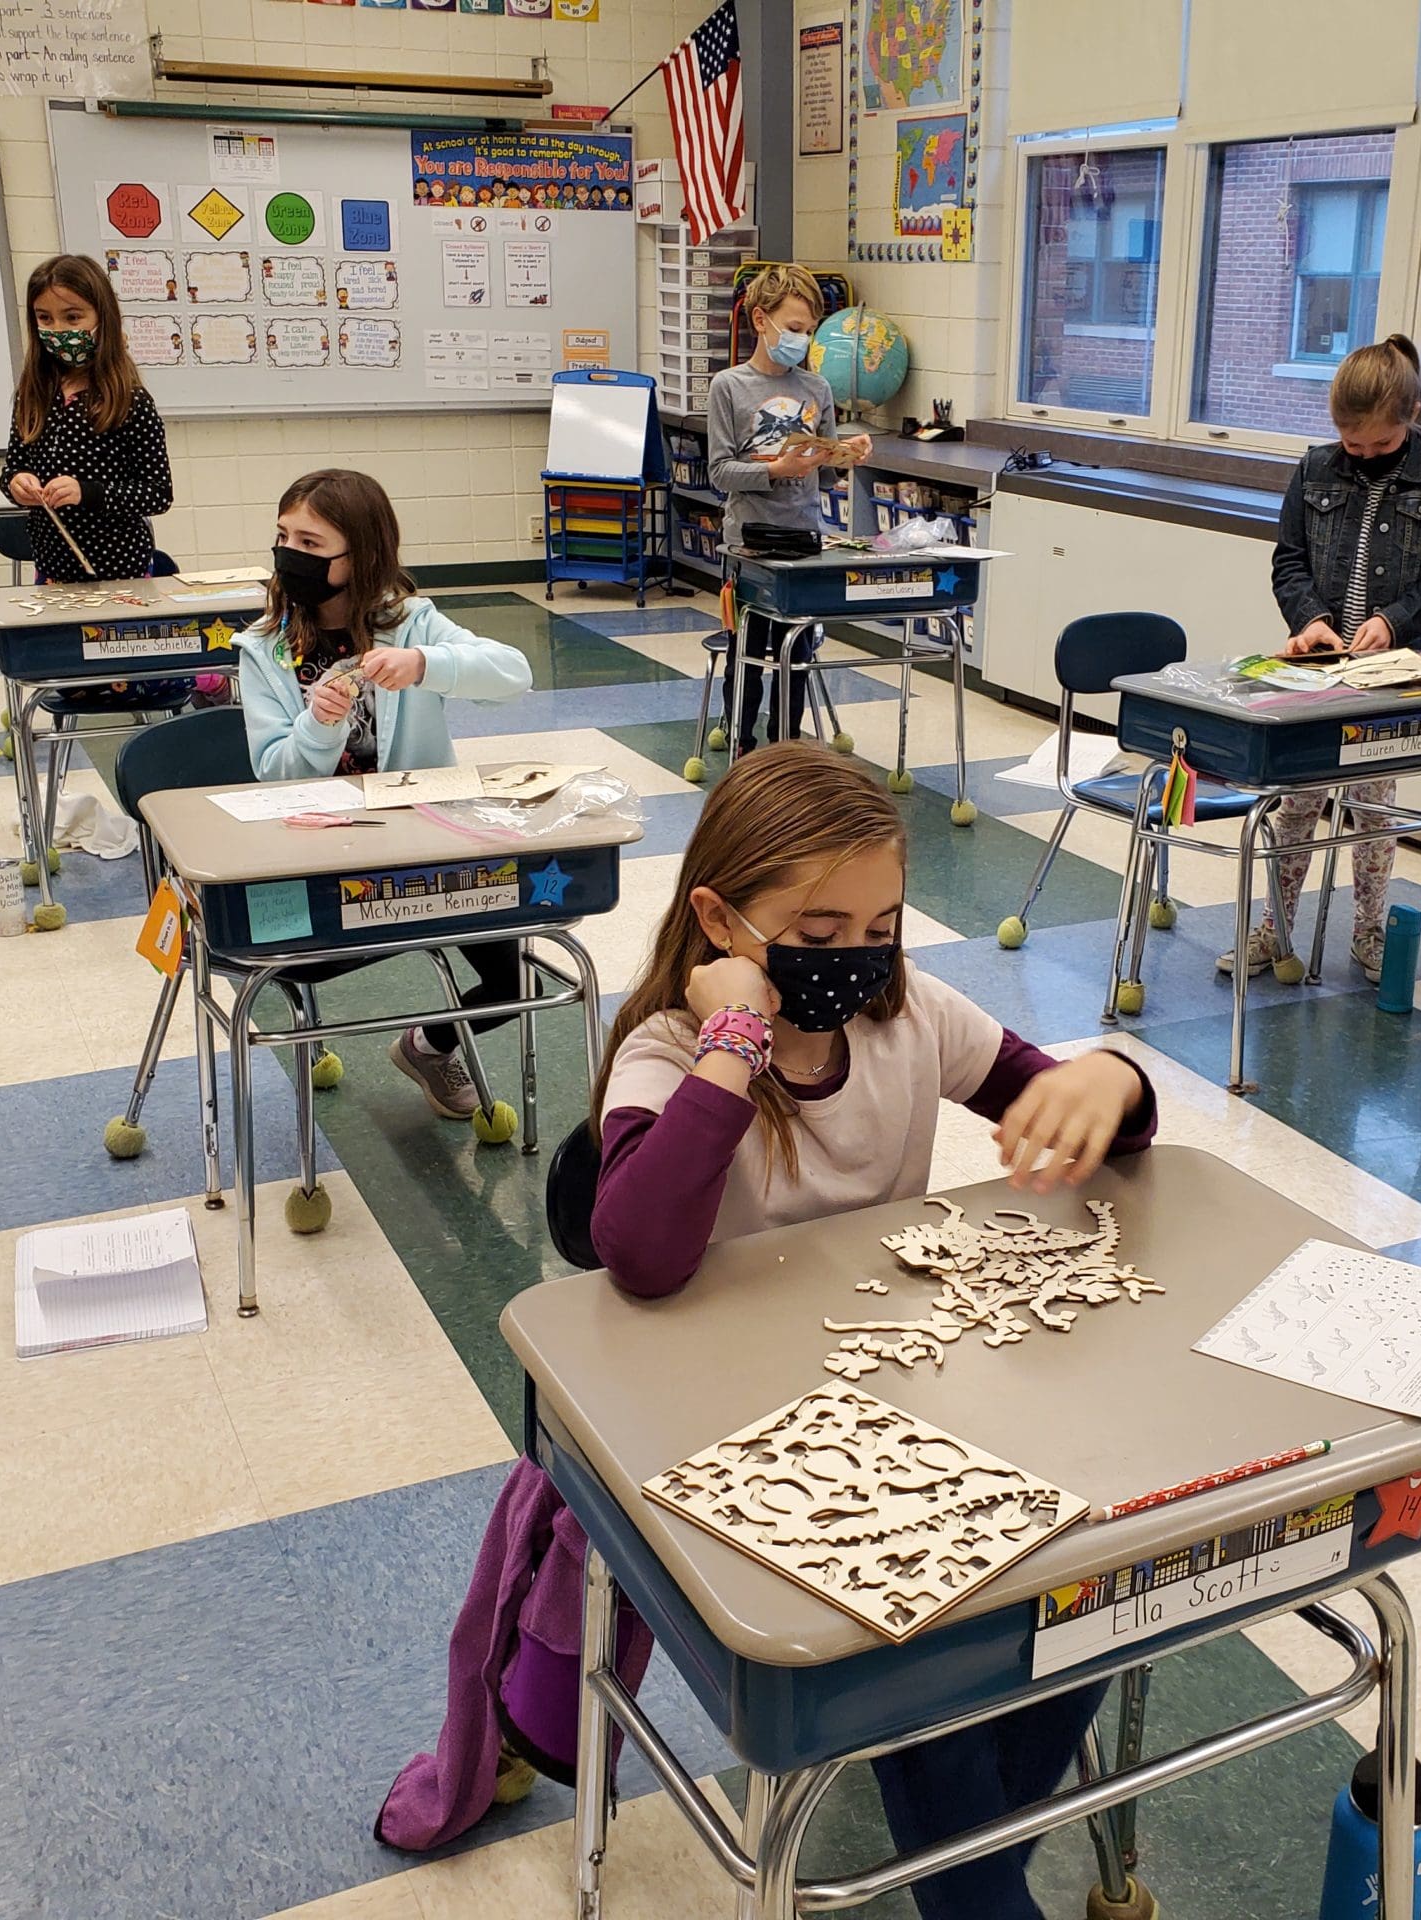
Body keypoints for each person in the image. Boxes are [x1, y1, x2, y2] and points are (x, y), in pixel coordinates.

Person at [380, 746, 1158, 1920]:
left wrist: (1111, 1079)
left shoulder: (914, 1019)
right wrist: (733, 1046)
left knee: (1081, 1605)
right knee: (924, 1670)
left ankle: (975, 1857)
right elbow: (641, 1251)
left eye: (881, 927)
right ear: (719, 922)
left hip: (894, 1418)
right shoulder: (666, 1054)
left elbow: (1074, 1112)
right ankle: (978, 1877)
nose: (855, 958)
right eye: (818, 929)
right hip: (731, 1455)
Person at [233, 468, 536, 1119]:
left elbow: (513, 674)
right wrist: (318, 725)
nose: (289, 554)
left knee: (514, 983)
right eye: (284, 537)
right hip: (321, 855)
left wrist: (426, 664)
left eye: (311, 544)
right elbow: (274, 776)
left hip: (424, 842)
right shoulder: (263, 649)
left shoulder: (412, 622)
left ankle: (428, 1046)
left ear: (361, 555)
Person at [1222, 334, 1421, 985]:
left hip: (1387, 677)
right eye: (1351, 445)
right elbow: (1289, 561)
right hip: (1318, 671)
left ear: (1411, 415)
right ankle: (1275, 928)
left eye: (1379, 445)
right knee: (1296, 805)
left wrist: (1394, 621)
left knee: (1374, 810)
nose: (1362, 456)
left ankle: (1368, 930)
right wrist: (1309, 620)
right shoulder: (1314, 469)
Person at [706, 263, 872, 756]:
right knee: (747, 655)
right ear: (761, 320)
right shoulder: (729, 387)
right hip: (749, 545)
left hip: (803, 541)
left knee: (795, 655)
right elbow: (719, 472)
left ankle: (786, 752)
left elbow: (823, 476)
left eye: (809, 331)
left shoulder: (817, 390)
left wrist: (844, 458)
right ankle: (742, 748)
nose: (801, 340)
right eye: (794, 328)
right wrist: (776, 470)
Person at [0, 254, 171, 583]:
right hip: (52, 571)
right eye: (45, 318)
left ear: (102, 318)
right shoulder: (33, 395)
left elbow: (158, 493)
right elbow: (12, 468)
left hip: (120, 572)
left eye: (73, 317)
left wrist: (87, 492)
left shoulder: (130, 401)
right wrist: (17, 483)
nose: (58, 329)